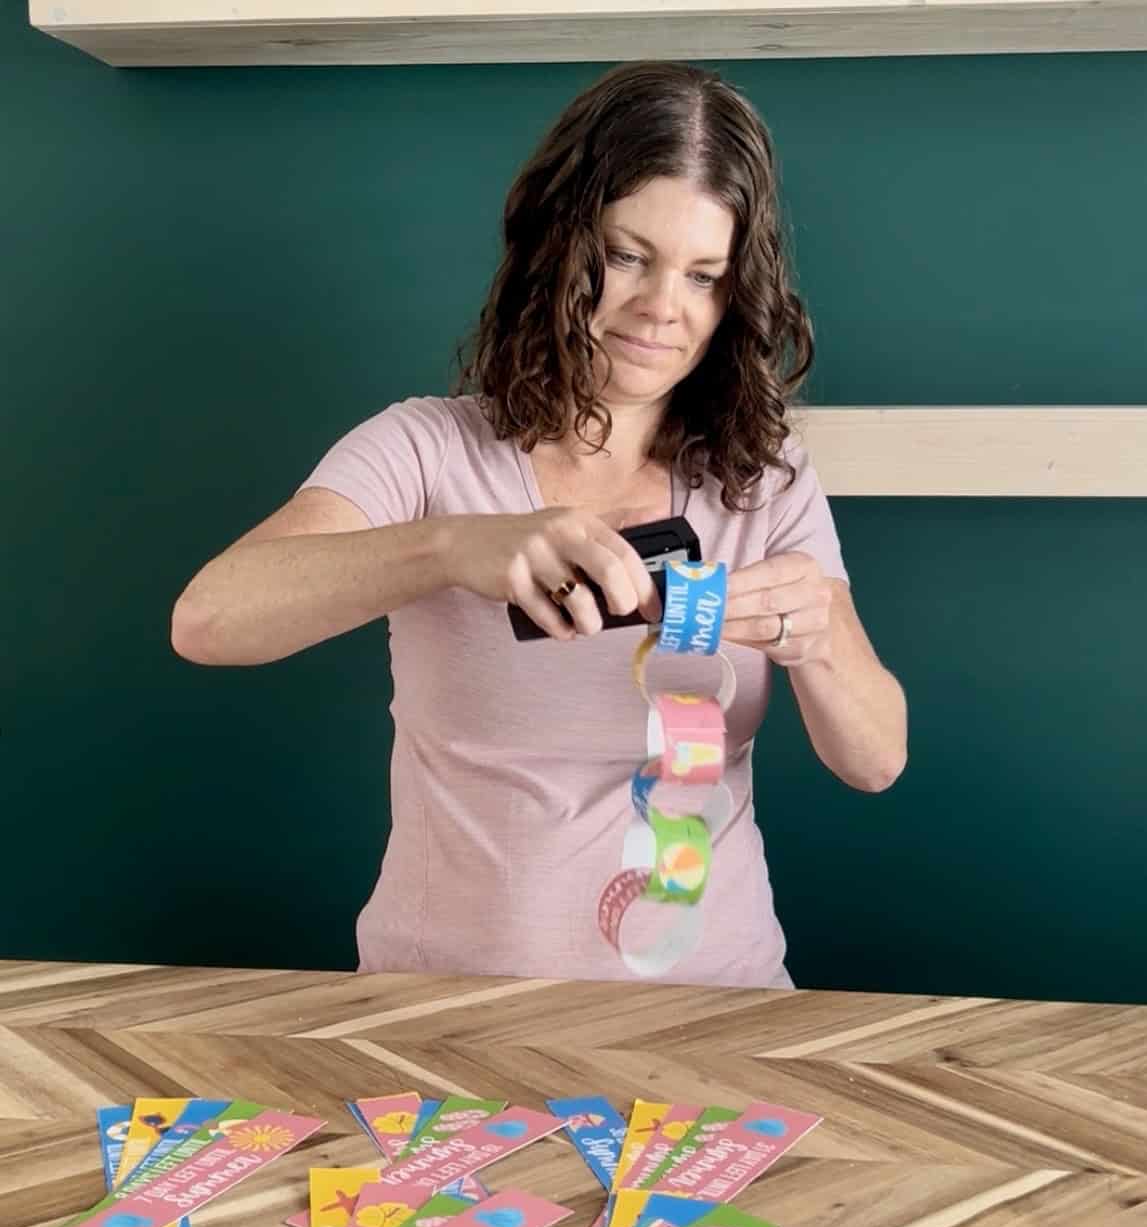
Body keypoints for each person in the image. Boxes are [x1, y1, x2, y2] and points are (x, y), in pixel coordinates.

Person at [171, 61, 907, 991]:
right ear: (559, 246)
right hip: (443, 1015)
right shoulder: (425, 448)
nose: (662, 308)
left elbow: (876, 761)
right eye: (628, 256)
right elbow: (206, 620)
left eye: (703, 275)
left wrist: (819, 635)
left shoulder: (764, 476)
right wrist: (448, 546)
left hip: (720, 1013)